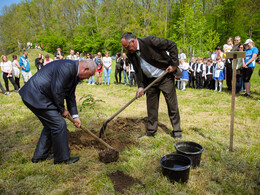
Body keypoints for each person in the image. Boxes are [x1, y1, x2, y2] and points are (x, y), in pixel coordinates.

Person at [19, 59, 96, 164]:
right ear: (85, 69)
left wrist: (75, 116)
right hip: (36, 96)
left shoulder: (73, 72)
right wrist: (62, 109)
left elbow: (70, 96)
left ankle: (40, 156)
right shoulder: (66, 68)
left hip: (37, 96)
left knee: (50, 125)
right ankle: (62, 159)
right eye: (89, 75)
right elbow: (57, 90)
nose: (88, 78)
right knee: (59, 124)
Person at [121, 32, 182, 138]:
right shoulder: (131, 54)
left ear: (133, 42)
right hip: (150, 81)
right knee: (151, 107)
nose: (126, 50)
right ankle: (151, 131)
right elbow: (137, 71)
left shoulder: (149, 41)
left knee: (172, 105)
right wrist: (140, 86)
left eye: (127, 47)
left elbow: (172, 44)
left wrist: (174, 64)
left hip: (165, 77)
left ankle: (177, 132)